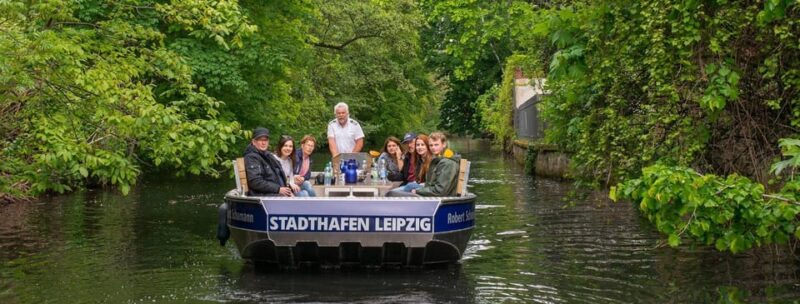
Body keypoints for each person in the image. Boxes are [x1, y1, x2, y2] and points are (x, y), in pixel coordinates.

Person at [243, 127, 294, 197]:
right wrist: (278, 189)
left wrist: (287, 190)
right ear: (254, 142)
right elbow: (255, 182)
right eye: (261, 140)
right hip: (262, 197)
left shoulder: (268, 155)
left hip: (275, 192)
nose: (264, 143)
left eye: (266, 140)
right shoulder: (251, 158)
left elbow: (279, 173)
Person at [412, 132, 460, 197]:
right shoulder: (438, 160)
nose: (433, 148)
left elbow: (440, 191)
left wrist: (418, 191)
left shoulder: (447, 163)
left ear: (444, 144)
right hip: (433, 197)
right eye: (431, 145)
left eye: (436, 145)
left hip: (442, 200)